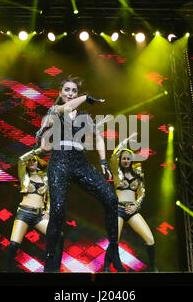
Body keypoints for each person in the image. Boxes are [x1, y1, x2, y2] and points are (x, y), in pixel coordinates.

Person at [36, 76, 125, 272]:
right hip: (59, 162)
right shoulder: (55, 110)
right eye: (66, 90)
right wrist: (85, 97)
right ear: (60, 93)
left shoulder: (84, 116)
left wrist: (103, 161)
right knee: (58, 211)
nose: (70, 94)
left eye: (74, 91)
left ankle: (113, 251)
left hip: (80, 162)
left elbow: (99, 139)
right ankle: (50, 265)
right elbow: (66, 108)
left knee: (111, 198)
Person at [6, 148, 64, 271]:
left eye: (34, 160)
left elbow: (50, 197)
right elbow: (21, 159)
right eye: (30, 161)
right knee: (14, 244)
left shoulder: (45, 178)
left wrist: (47, 211)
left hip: (38, 216)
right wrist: (38, 150)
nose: (32, 162)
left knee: (59, 236)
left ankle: (53, 269)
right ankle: (6, 271)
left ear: (38, 163)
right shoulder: (24, 176)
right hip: (24, 213)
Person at [109, 132, 157, 272]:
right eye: (123, 158)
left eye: (128, 158)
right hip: (118, 209)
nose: (125, 160)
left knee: (150, 239)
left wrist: (136, 205)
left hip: (132, 209)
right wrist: (127, 140)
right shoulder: (117, 172)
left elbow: (142, 191)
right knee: (114, 242)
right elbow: (114, 155)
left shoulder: (138, 172)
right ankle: (114, 267)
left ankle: (152, 266)